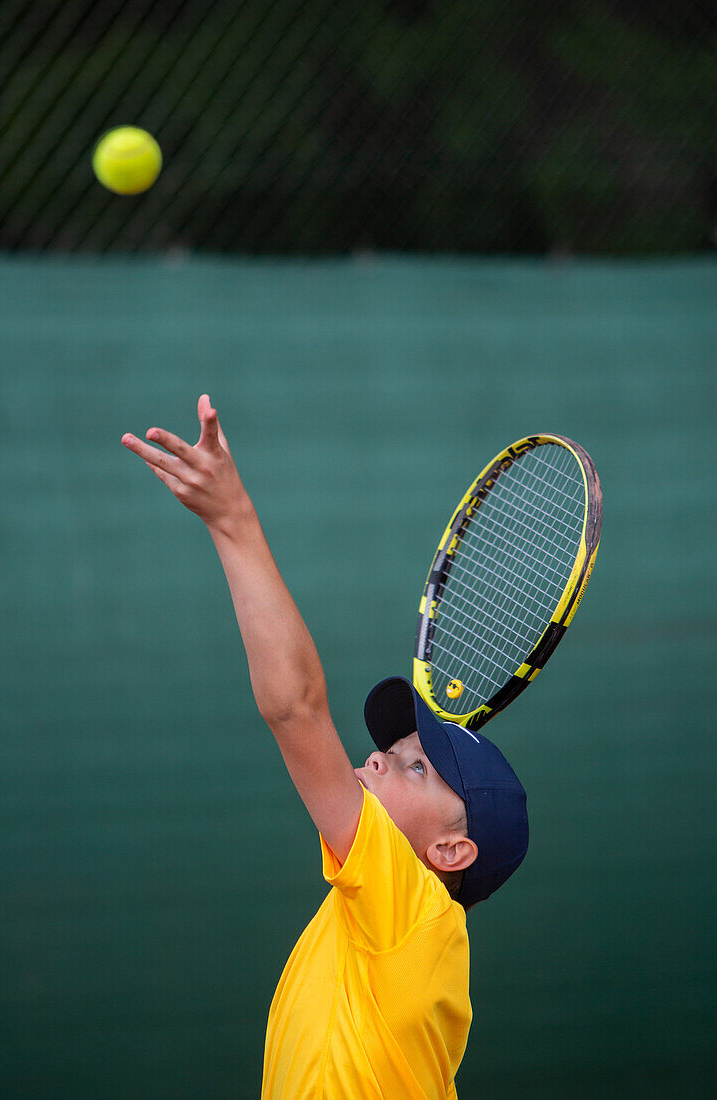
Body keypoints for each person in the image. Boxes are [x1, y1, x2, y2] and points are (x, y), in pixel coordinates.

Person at [122, 395, 529, 1099]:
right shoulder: (363, 919)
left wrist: (232, 520)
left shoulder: (413, 908)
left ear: (450, 852)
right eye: (390, 749)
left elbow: (296, 708)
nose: (374, 757)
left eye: (412, 766)